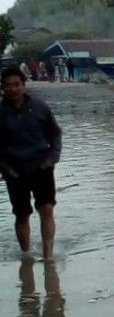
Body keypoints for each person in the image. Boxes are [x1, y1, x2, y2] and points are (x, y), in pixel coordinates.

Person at [0, 68, 62, 259]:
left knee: (47, 209)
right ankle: (26, 256)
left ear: (24, 85)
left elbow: (55, 133)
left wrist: (52, 158)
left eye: (17, 84)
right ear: (2, 87)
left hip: (41, 166)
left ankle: (48, 257)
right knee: (22, 214)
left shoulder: (40, 106)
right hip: (14, 171)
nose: (13, 89)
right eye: (8, 85)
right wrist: (5, 168)